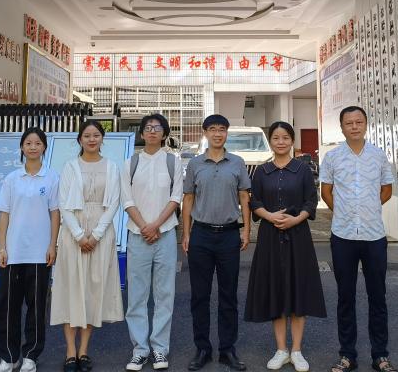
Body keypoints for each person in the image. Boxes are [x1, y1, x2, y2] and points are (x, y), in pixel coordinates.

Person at [319, 106, 397, 372]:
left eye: (359, 122)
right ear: (342, 127)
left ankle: (380, 355)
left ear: (365, 125)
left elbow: (387, 189)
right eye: (349, 123)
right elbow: (326, 191)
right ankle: (347, 355)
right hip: (343, 235)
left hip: (374, 235)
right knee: (345, 297)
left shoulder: (378, 155)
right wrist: (343, 211)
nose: (354, 126)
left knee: (378, 296)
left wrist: (369, 208)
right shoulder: (332, 157)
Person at [244, 121, 326, 372]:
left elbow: (311, 201)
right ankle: (281, 349)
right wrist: (270, 216)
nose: (281, 142)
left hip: (298, 236)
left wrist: (295, 219)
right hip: (269, 237)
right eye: (276, 138)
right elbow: (254, 202)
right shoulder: (262, 171)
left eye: (285, 137)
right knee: (276, 290)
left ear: (292, 141)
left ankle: (297, 351)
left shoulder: (302, 169)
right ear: (270, 141)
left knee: (298, 289)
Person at [51, 120, 123, 372]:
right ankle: (70, 351)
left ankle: (84, 350)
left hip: (101, 234)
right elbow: (64, 204)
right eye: (87, 135)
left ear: (102, 138)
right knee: (71, 289)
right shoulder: (70, 167)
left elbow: (113, 203)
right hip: (73, 234)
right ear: (79, 139)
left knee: (93, 289)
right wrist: (80, 235)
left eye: (96, 135)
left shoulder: (112, 167)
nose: (92, 139)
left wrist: (96, 235)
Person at [182, 113, 252, 371]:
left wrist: (247, 231)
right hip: (201, 235)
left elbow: (244, 197)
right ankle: (202, 348)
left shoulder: (237, 162)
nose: (217, 133)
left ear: (226, 133)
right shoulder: (195, 164)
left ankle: (227, 350)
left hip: (229, 235)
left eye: (222, 129)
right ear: (205, 133)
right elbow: (188, 199)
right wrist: (186, 233)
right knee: (199, 296)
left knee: (228, 295)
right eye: (212, 129)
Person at [0, 127, 61, 372]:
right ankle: (9, 357)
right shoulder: (12, 178)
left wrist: (52, 245)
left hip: (40, 253)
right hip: (13, 252)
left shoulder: (52, 177)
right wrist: (2, 247)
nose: (33, 147)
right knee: (7, 306)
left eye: (37, 143)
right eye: (28, 143)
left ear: (44, 147)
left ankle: (31, 355)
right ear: (22, 147)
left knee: (37, 306)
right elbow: (4, 214)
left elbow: (55, 214)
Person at [121, 113, 183, 371]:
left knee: (164, 295)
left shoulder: (173, 162)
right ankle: (139, 350)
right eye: (148, 128)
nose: (152, 131)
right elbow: (127, 200)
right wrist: (145, 226)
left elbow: (176, 197)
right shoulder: (131, 163)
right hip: (138, 236)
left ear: (164, 133)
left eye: (157, 128)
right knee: (136, 295)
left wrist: (156, 225)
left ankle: (159, 349)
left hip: (165, 234)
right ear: (142, 133)